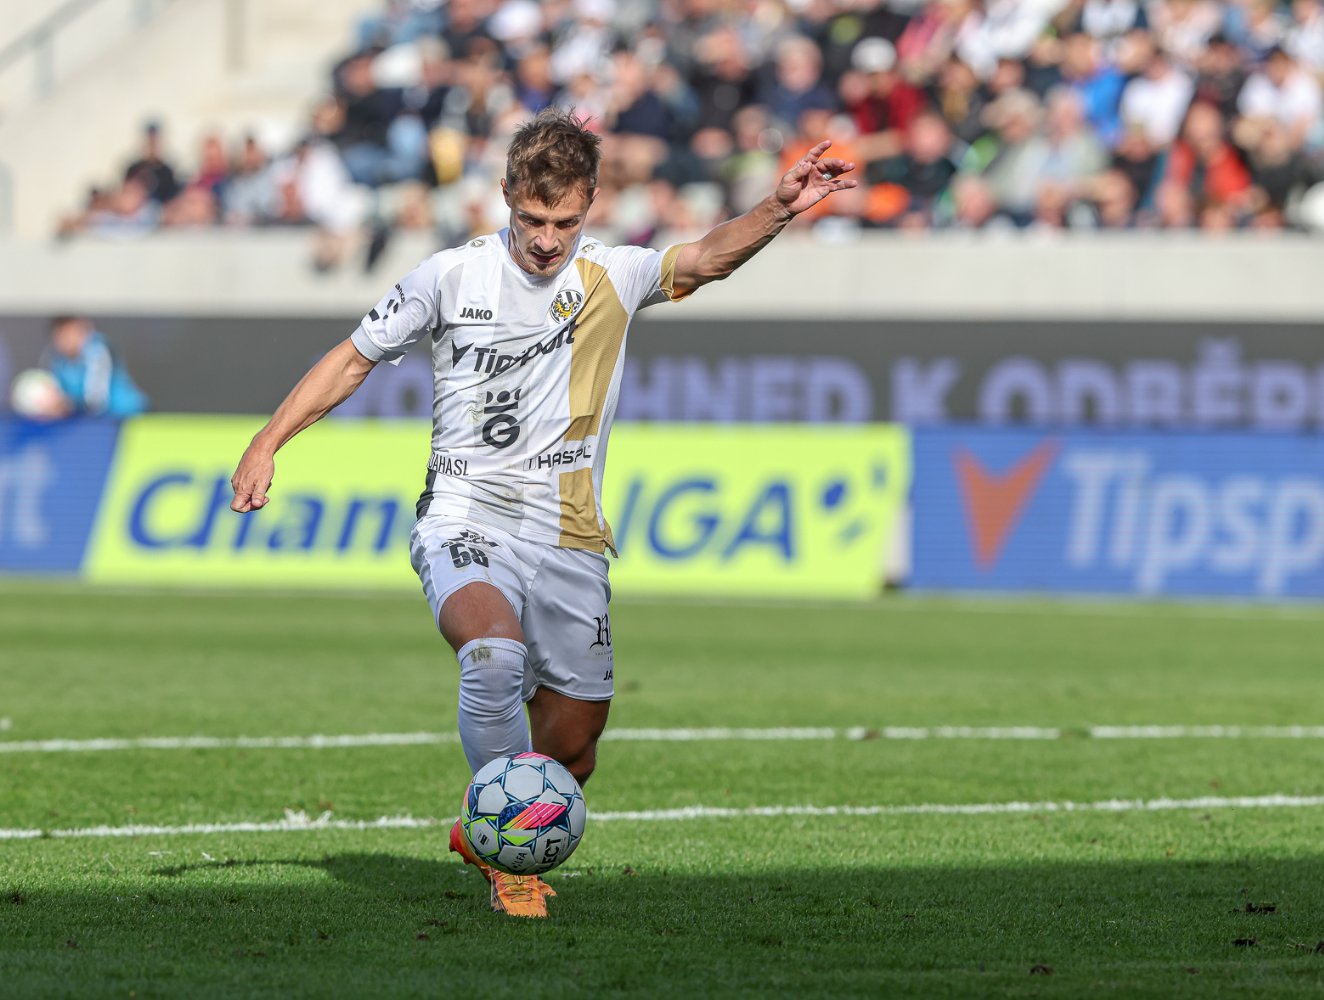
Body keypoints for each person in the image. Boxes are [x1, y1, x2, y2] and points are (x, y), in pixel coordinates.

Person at [227, 109, 855, 918]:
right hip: (464, 511)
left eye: (564, 221)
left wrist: (777, 208)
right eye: (531, 219)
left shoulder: (613, 273)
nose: (547, 240)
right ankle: (508, 864)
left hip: (569, 534)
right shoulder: (449, 276)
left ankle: (482, 826)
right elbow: (354, 359)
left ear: (590, 203)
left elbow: (704, 260)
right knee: (491, 655)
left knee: (574, 752)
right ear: (505, 196)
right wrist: (268, 442)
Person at [43, 316, 149, 418]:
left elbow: (96, 401)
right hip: (95, 420)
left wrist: (67, 405)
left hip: (130, 415)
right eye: (61, 336)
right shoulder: (58, 360)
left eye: (70, 334)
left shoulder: (97, 350)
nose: (66, 341)